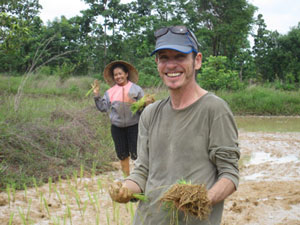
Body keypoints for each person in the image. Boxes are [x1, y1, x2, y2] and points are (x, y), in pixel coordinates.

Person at [108, 26, 240, 225]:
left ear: (197, 61)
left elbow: (229, 174)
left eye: (180, 57)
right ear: (157, 63)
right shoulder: (150, 113)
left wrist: (204, 199)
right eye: (164, 58)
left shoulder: (214, 109)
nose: (171, 65)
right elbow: (142, 172)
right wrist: (126, 189)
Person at [93, 60, 144, 177]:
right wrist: (96, 95)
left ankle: (138, 178)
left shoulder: (136, 89)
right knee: (122, 154)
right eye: (115, 75)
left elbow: (144, 110)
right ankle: (127, 179)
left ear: (126, 74)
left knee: (137, 154)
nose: (118, 76)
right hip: (117, 127)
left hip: (134, 126)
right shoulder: (110, 92)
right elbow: (103, 108)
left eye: (120, 73)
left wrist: (141, 104)